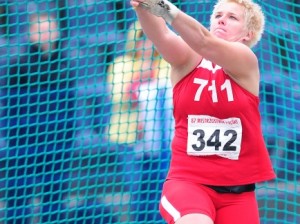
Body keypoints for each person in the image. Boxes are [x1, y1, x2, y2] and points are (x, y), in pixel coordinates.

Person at [129, 0, 276, 224]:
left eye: (232, 17)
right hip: (188, 184)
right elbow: (162, 36)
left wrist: (167, 10)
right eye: (218, 15)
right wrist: (142, 6)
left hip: (238, 194)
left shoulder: (245, 61)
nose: (221, 19)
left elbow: (205, 42)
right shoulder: (188, 58)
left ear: (248, 33)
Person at [0, 13, 75, 223]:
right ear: (31, 34)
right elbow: (10, 107)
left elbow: (70, 106)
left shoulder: (65, 66)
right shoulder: (19, 66)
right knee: (19, 193)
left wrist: (67, 136)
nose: (47, 35)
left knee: (54, 193)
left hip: (56, 142)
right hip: (24, 141)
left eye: (51, 29)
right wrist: (14, 136)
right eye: (41, 30)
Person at [107, 20, 172, 222]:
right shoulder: (121, 64)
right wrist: (140, 77)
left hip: (161, 141)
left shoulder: (166, 63)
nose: (147, 44)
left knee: (163, 190)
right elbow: (117, 95)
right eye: (142, 39)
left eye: (151, 39)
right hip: (130, 140)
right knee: (138, 190)